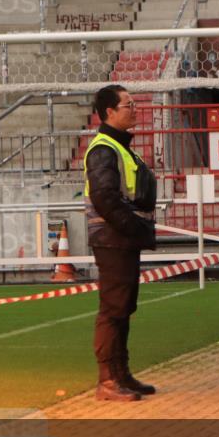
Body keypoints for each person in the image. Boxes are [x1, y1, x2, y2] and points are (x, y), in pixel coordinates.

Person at [85, 84, 158, 402]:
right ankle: (108, 380)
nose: (135, 108)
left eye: (134, 103)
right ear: (109, 112)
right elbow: (105, 198)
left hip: (121, 237)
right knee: (113, 310)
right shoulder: (104, 149)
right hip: (114, 238)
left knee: (123, 308)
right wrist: (133, 227)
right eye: (128, 105)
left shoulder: (119, 146)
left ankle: (121, 373)